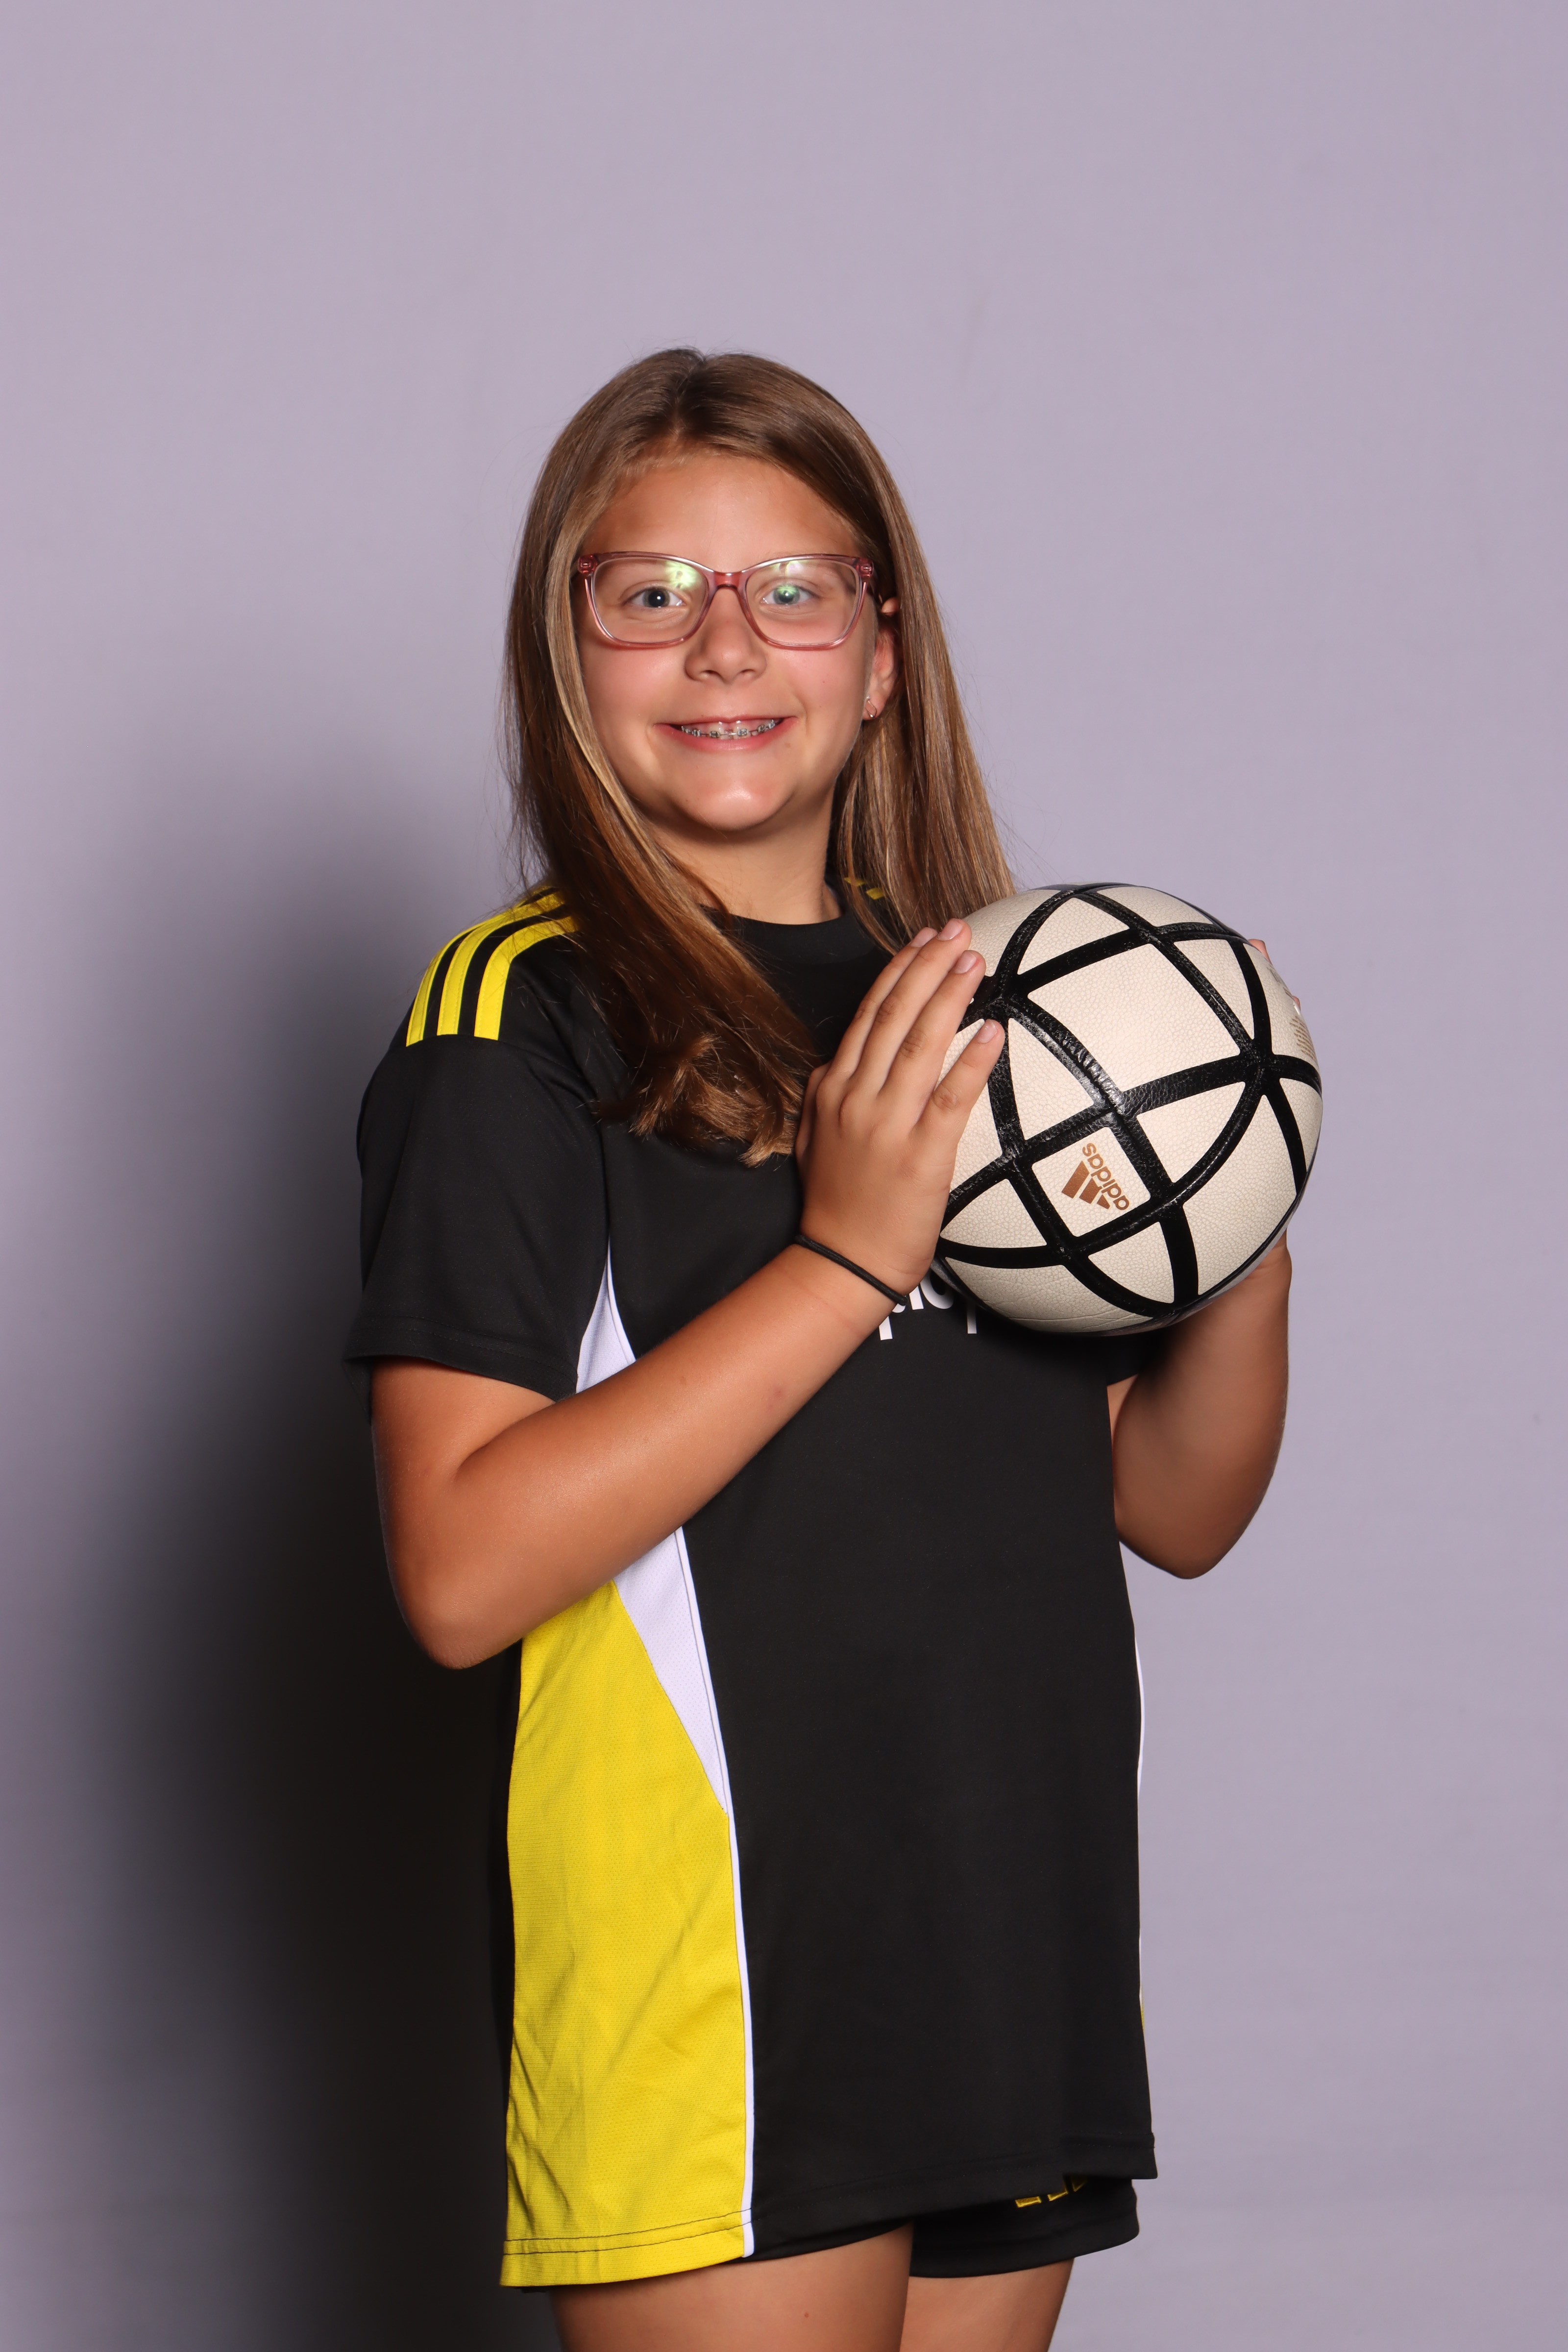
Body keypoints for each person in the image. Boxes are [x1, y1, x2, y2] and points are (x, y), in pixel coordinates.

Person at [346, 349, 1292, 2352]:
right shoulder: (521, 1023)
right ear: (568, 651)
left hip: (1008, 1944)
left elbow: (1171, 1505)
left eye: (792, 589)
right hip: (726, 1974)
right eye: (650, 593)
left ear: (881, 651)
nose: (724, 646)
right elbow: (459, 1569)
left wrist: (1236, 1182)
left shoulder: (993, 1006)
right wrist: (846, 1257)